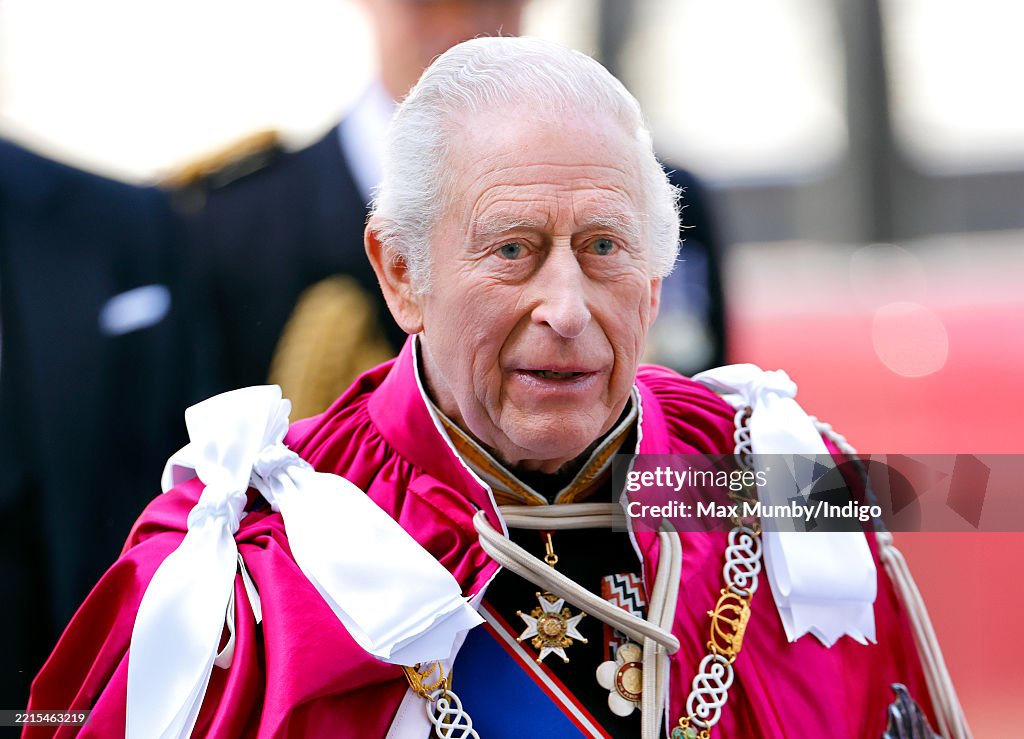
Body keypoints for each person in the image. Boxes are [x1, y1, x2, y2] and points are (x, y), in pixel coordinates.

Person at [27, 38, 963, 738]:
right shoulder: (243, 576)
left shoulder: (785, 477)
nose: (566, 306)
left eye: (603, 248)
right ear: (400, 274)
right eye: (513, 249)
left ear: (653, 279)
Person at [181, 0, 726, 418]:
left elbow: (716, 486)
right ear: (396, 268)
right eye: (428, 3)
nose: (462, 24)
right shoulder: (228, 225)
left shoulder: (649, 190)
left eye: (601, 246)